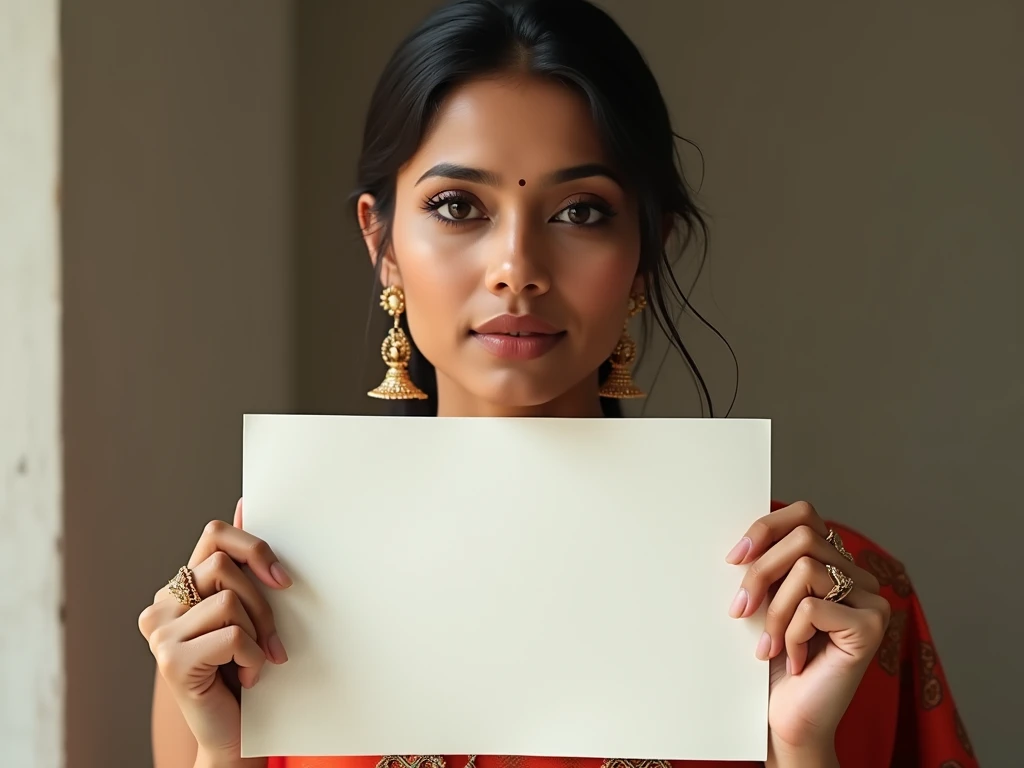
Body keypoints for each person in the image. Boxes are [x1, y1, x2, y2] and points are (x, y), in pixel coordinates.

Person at [137, 1, 978, 767]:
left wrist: (802, 745)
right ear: (382, 241)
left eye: (580, 211)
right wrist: (219, 750)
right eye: (458, 206)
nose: (517, 270)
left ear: (648, 248)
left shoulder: (829, 612)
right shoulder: (244, 616)